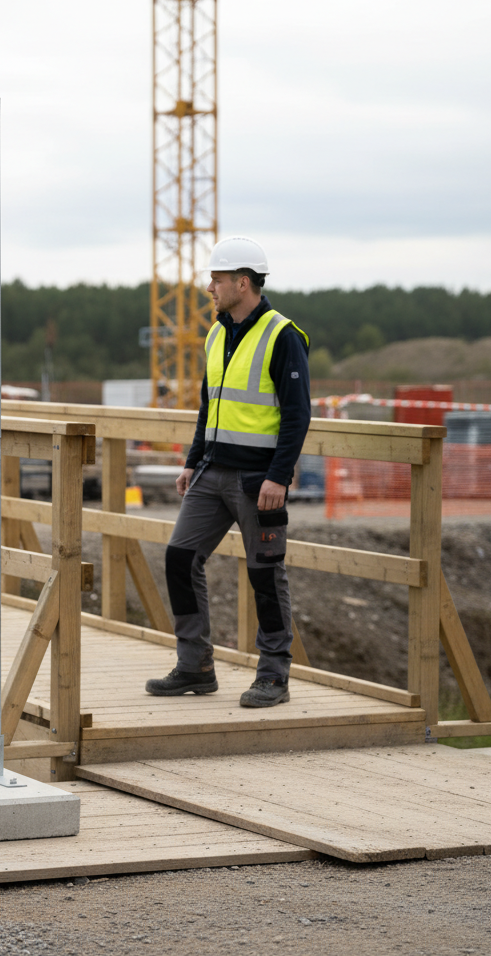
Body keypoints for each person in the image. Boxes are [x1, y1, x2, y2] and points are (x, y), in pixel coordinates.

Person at [145, 236, 311, 708]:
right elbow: (209, 405)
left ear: (243, 282)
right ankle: (195, 665)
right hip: (212, 473)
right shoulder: (217, 333)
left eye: (216, 279)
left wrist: (279, 477)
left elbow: (298, 415)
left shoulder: (282, 336)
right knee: (179, 558)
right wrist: (193, 460)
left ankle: (273, 676)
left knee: (265, 576)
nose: (209, 287)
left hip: (259, 481)